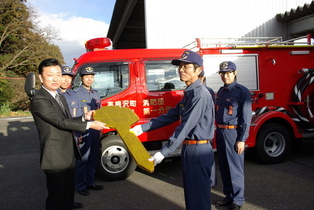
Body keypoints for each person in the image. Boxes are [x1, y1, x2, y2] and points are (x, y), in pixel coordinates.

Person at [130, 50, 215, 210]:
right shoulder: (190, 93)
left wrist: (164, 151)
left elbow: (185, 126)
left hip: (199, 150)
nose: (181, 69)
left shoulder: (200, 94)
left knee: (199, 197)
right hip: (190, 148)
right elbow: (170, 116)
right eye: (180, 66)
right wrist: (142, 127)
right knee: (192, 194)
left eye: (186, 66)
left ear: (198, 70)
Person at [31, 58, 106, 210]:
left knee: (67, 193)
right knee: (56, 198)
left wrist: (85, 117)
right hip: (55, 157)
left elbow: (68, 119)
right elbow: (60, 122)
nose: (56, 78)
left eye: (58, 74)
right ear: (40, 77)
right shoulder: (40, 99)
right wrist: (89, 124)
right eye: (50, 74)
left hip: (68, 152)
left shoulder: (58, 97)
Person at [214, 61, 252, 210]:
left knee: (235, 168)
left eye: (229, 72)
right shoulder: (221, 91)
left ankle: (238, 200)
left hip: (233, 132)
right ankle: (228, 196)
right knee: (224, 166)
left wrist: (241, 139)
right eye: (222, 73)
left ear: (235, 73)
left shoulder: (242, 91)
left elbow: (246, 118)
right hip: (221, 132)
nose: (225, 76)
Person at [74, 67, 103, 196]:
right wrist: (77, 133)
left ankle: (90, 182)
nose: (89, 79)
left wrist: (101, 129)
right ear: (81, 78)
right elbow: (73, 115)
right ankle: (80, 185)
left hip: (95, 131)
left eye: (91, 76)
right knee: (82, 160)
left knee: (93, 158)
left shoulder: (96, 93)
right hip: (83, 130)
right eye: (86, 76)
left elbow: (100, 111)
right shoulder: (75, 93)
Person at [199, 73, 217, 188]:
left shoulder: (206, 91)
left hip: (205, 128)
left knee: (208, 155)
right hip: (203, 128)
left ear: (202, 78)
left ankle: (211, 181)